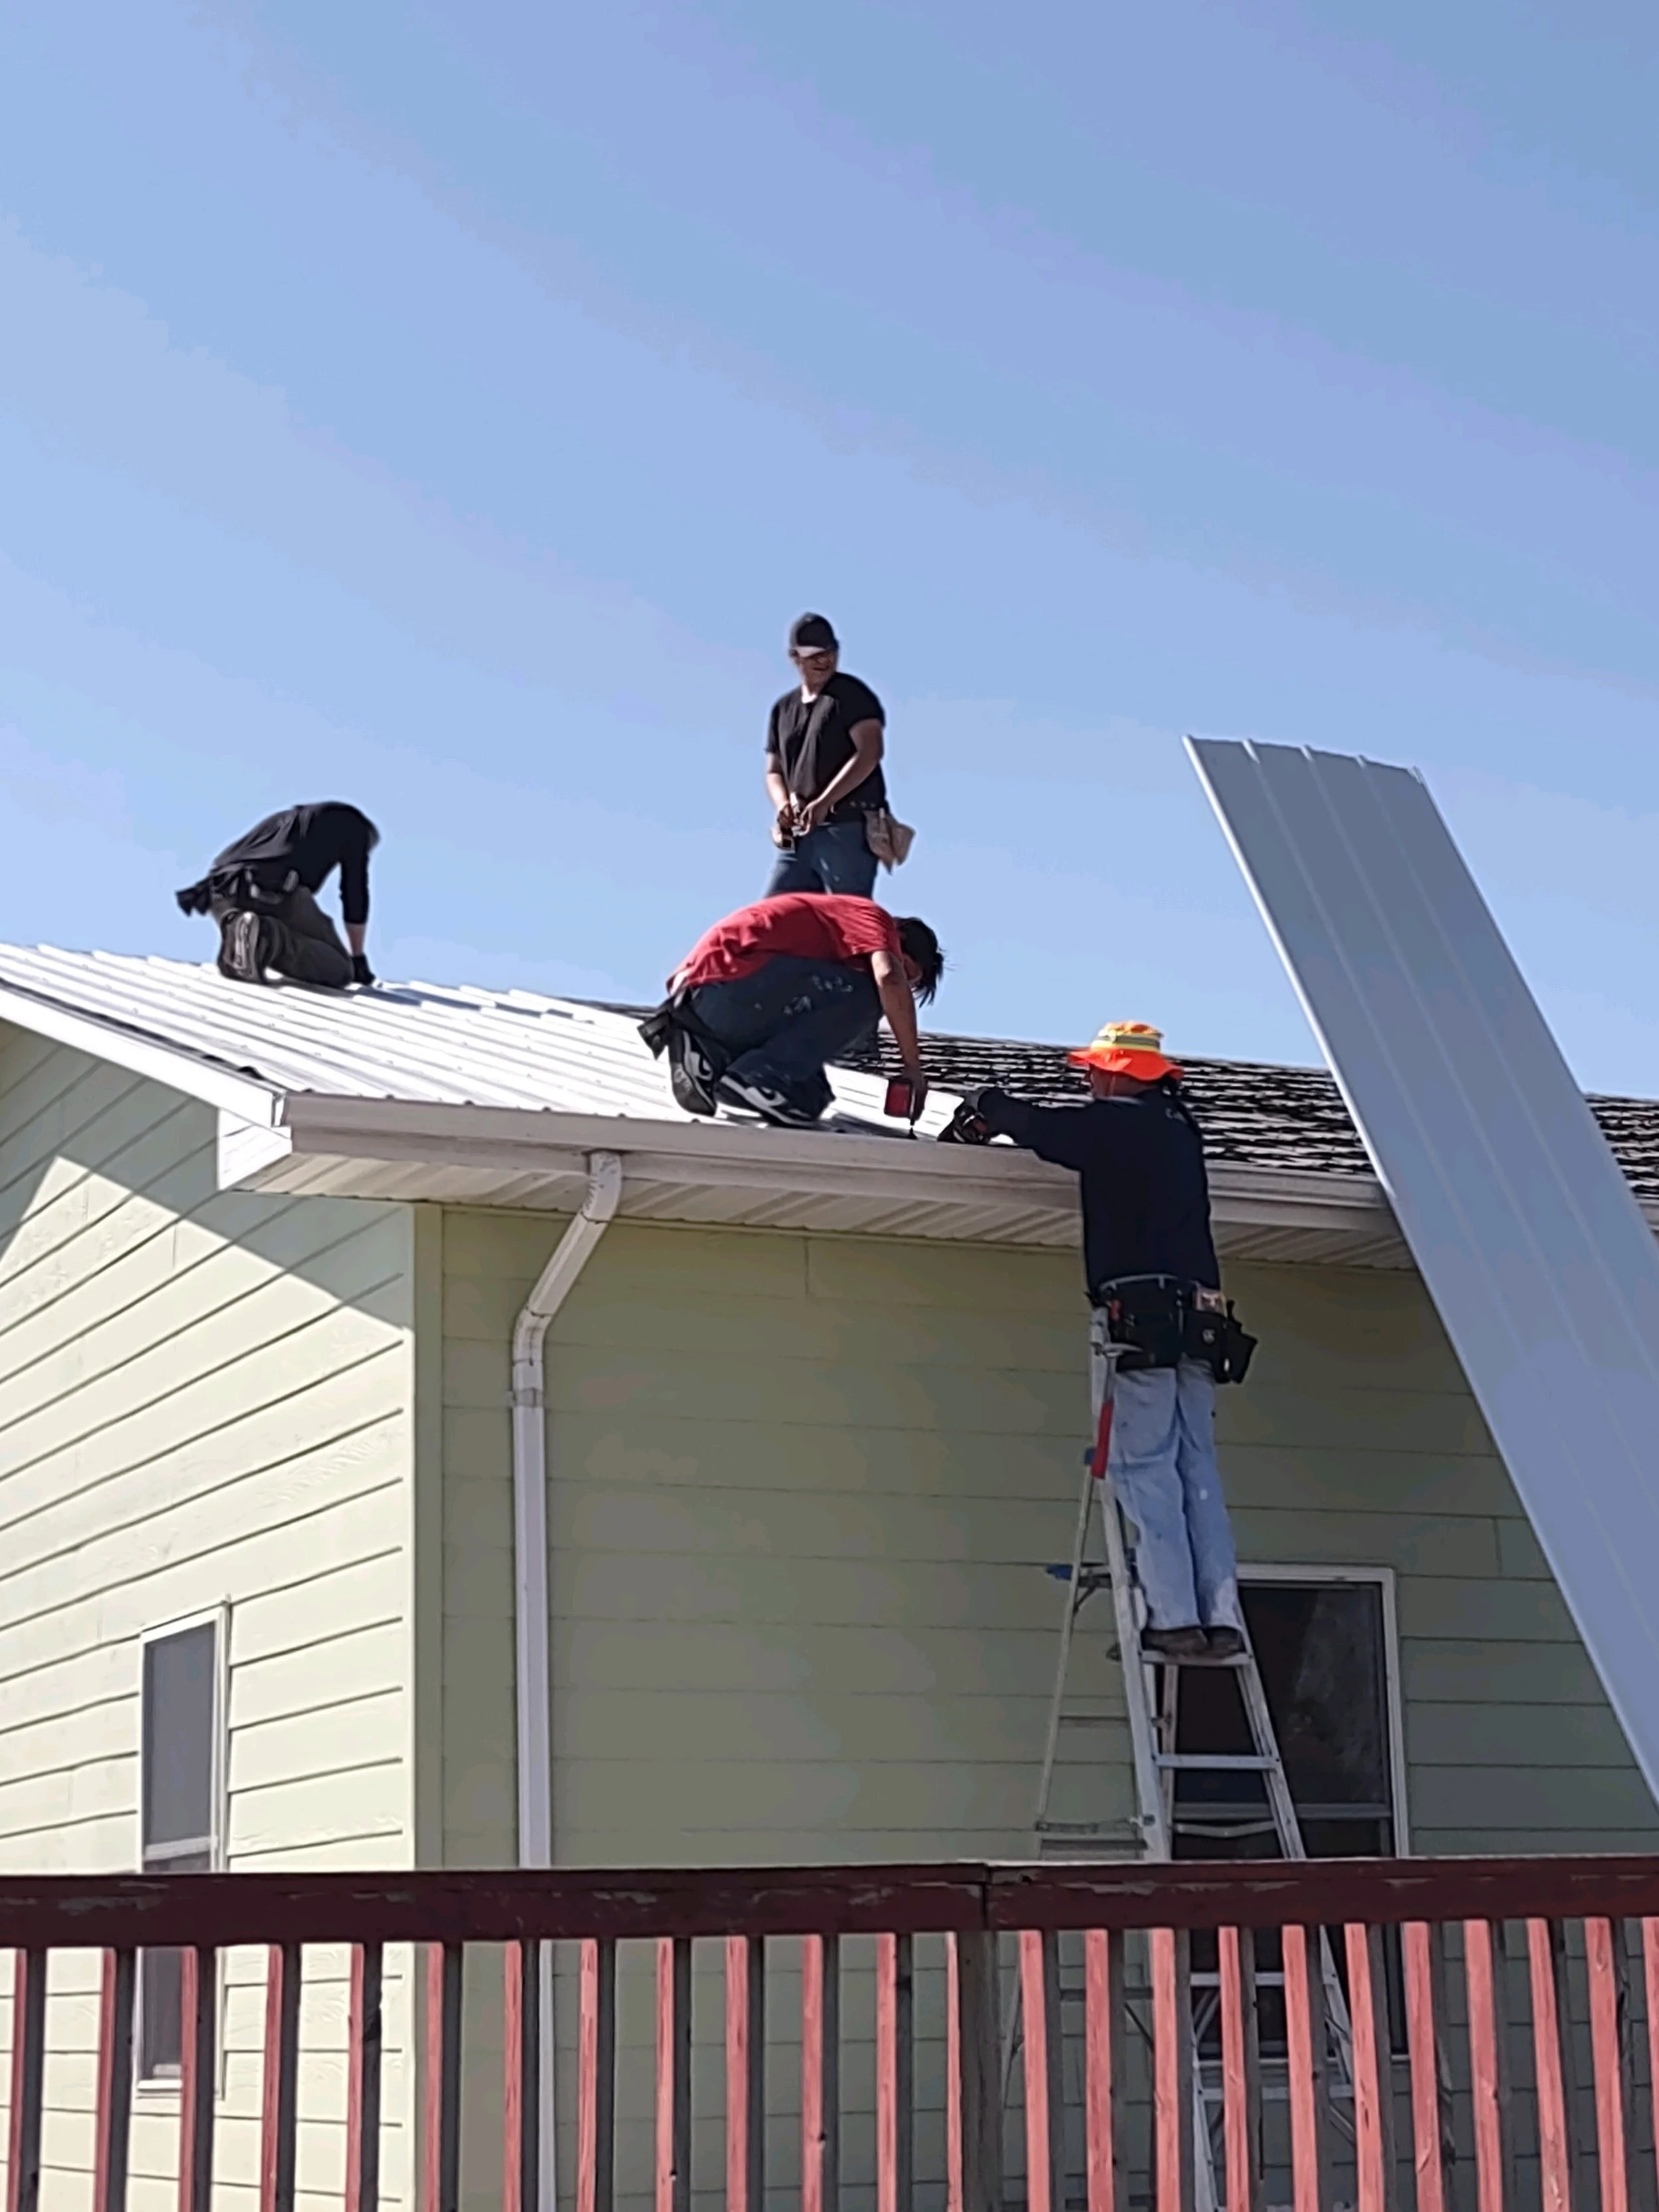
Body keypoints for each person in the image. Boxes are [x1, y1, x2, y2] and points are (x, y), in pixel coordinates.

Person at [948, 1021, 1254, 1662]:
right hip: (1198, 1320)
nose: (1088, 1081)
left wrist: (988, 1104)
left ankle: (1172, 1620)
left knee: (1144, 1464)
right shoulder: (1178, 1130)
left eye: (1095, 1072)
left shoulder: (1122, 1123)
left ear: (1120, 1074)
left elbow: (1052, 1133)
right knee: (1196, 1466)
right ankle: (1220, 1617)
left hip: (1142, 1317)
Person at [641, 893, 943, 1129]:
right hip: (722, 984)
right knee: (871, 996)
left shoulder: (834, 952)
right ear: (898, 939)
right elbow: (888, 978)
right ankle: (757, 1075)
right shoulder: (874, 919)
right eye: (908, 971)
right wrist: (912, 1067)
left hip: (713, 1001)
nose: (902, 986)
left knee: (810, 1098)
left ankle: (707, 1053)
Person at [175, 802, 380, 990]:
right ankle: (266, 936)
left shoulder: (285, 822)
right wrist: (358, 958)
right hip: (273, 888)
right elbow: (355, 893)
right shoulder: (355, 826)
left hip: (218, 892)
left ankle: (242, 940)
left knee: (263, 930)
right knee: (340, 969)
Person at [763, 613, 887, 899]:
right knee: (776, 918)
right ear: (795, 657)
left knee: (847, 919)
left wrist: (824, 803)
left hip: (848, 827)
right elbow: (774, 771)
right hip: (800, 836)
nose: (824, 661)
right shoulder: (783, 709)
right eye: (814, 655)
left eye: (829, 653)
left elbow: (870, 751)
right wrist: (783, 806)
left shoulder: (852, 694)